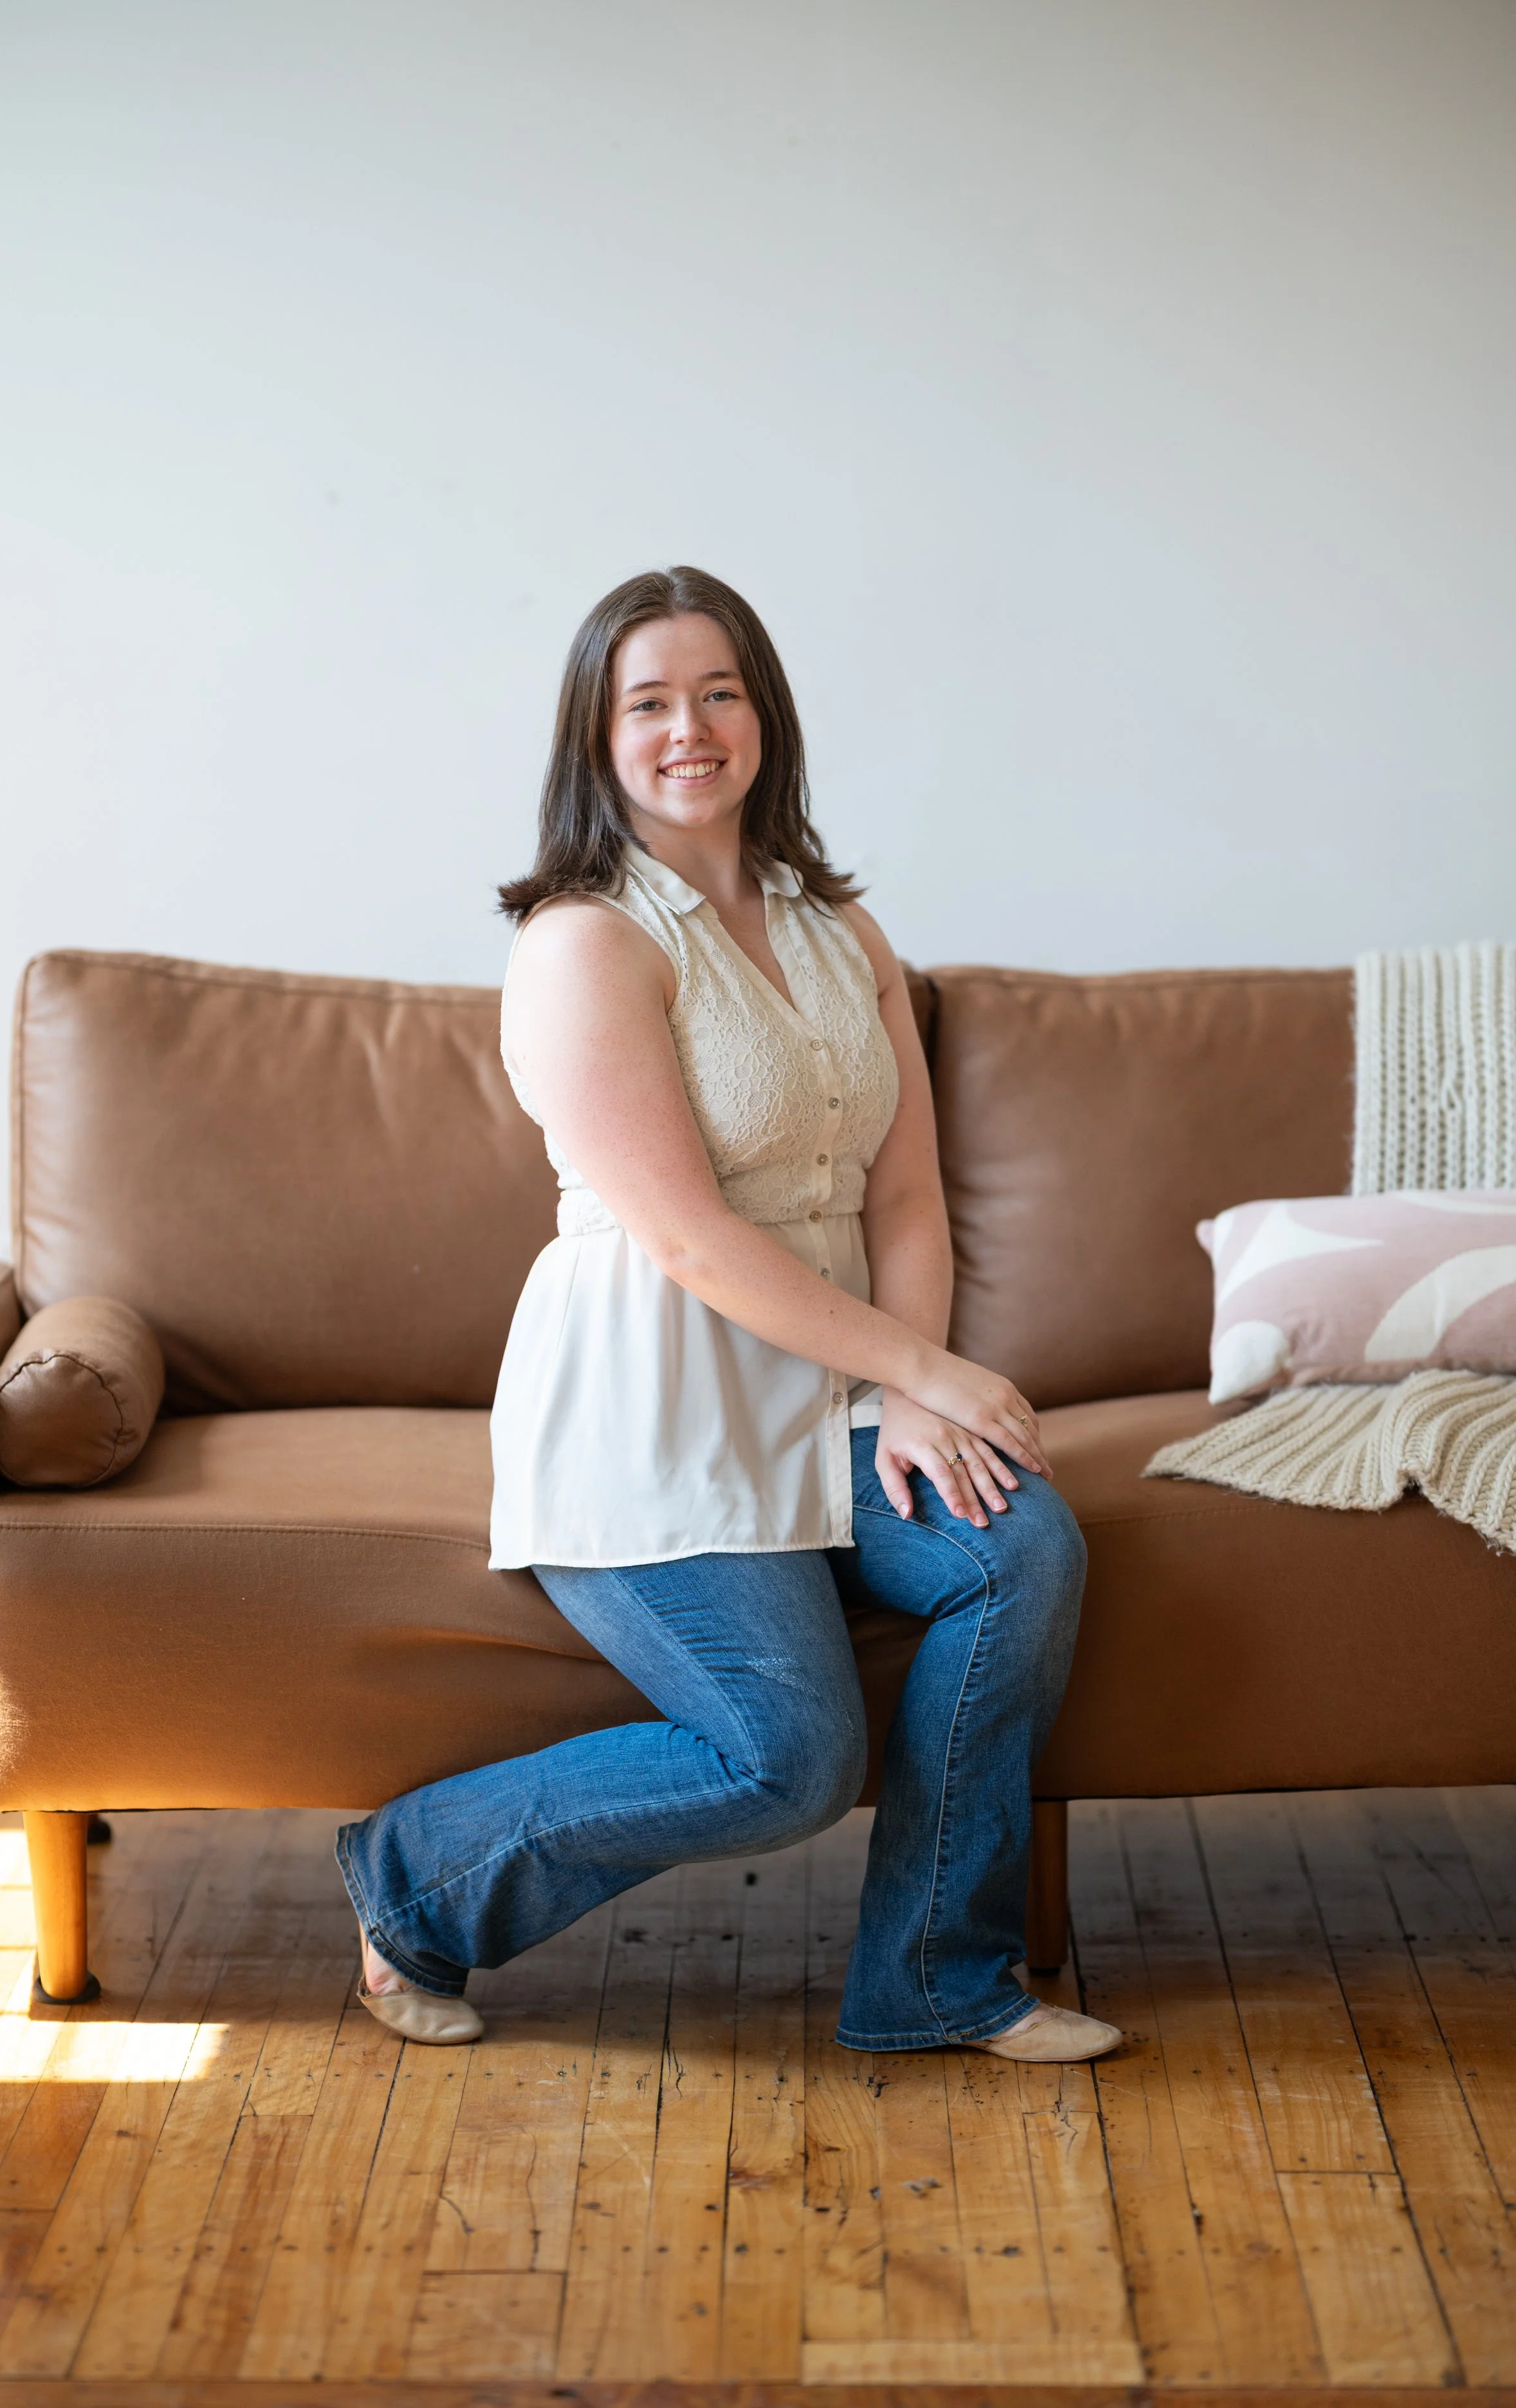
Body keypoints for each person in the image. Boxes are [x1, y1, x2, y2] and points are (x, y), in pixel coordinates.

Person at [337, 566, 1120, 2063]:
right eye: (648, 703)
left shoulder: (841, 930)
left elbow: (903, 1200)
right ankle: (408, 1881)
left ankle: (937, 1979)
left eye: (718, 692)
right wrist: (925, 1369)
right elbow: (689, 1242)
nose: (689, 729)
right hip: (659, 1402)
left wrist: (903, 1399)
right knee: (786, 1759)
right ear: (597, 736)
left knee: (1016, 1547)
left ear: (762, 714)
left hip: (832, 1400)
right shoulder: (584, 942)